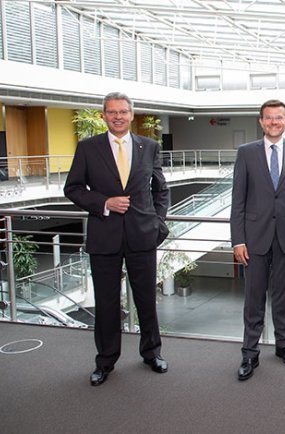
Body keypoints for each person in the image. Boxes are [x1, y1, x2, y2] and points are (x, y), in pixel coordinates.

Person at [64, 92, 170, 386]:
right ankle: (106, 361)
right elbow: (72, 188)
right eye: (112, 112)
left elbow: (161, 190)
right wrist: (105, 203)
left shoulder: (148, 146)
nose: (118, 116)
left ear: (131, 115)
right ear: (104, 116)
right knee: (107, 304)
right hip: (104, 237)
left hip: (142, 237)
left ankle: (151, 353)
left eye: (123, 111)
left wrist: (158, 222)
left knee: (147, 300)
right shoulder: (88, 148)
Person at [230, 99, 285, 381]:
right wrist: (237, 240)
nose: (273, 122)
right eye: (268, 118)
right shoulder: (246, 153)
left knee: (283, 297)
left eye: (278, 118)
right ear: (261, 121)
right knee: (253, 298)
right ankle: (249, 353)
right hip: (254, 239)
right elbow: (238, 201)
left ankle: (284, 345)